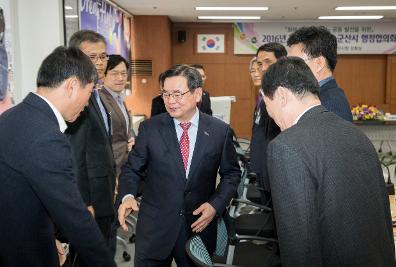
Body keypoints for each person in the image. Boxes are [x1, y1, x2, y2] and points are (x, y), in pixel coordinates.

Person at [262, 56, 396, 266]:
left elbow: (299, 247)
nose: (276, 122)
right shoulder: (356, 134)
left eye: (270, 110)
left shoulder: (285, 147)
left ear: (281, 96)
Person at [0, 46, 116, 267]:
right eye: (89, 92)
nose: (87, 103)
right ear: (72, 86)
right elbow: (75, 220)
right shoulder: (47, 137)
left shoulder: (11, 117)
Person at [118, 64, 241, 266]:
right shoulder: (150, 128)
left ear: (197, 94)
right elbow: (132, 169)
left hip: (198, 227)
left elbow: (231, 174)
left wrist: (215, 205)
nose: (170, 101)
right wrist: (128, 195)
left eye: (177, 94)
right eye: (165, 94)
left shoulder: (219, 131)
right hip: (155, 228)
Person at [66, 30, 116, 259]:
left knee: (105, 250)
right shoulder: (75, 97)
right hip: (91, 200)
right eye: (92, 57)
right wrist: (83, 202)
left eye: (103, 56)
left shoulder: (98, 93)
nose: (99, 63)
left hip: (104, 192)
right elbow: (75, 156)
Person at [287, 26, 353, 122]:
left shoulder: (330, 104)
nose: (288, 69)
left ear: (319, 64)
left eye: (295, 63)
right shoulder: (319, 97)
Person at [251, 43, 286, 202]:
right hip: (261, 168)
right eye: (259, 63)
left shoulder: (282, 95)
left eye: (268, 62)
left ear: (281, 62)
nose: (262, 67)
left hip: (274, 172)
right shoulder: (264, 93)